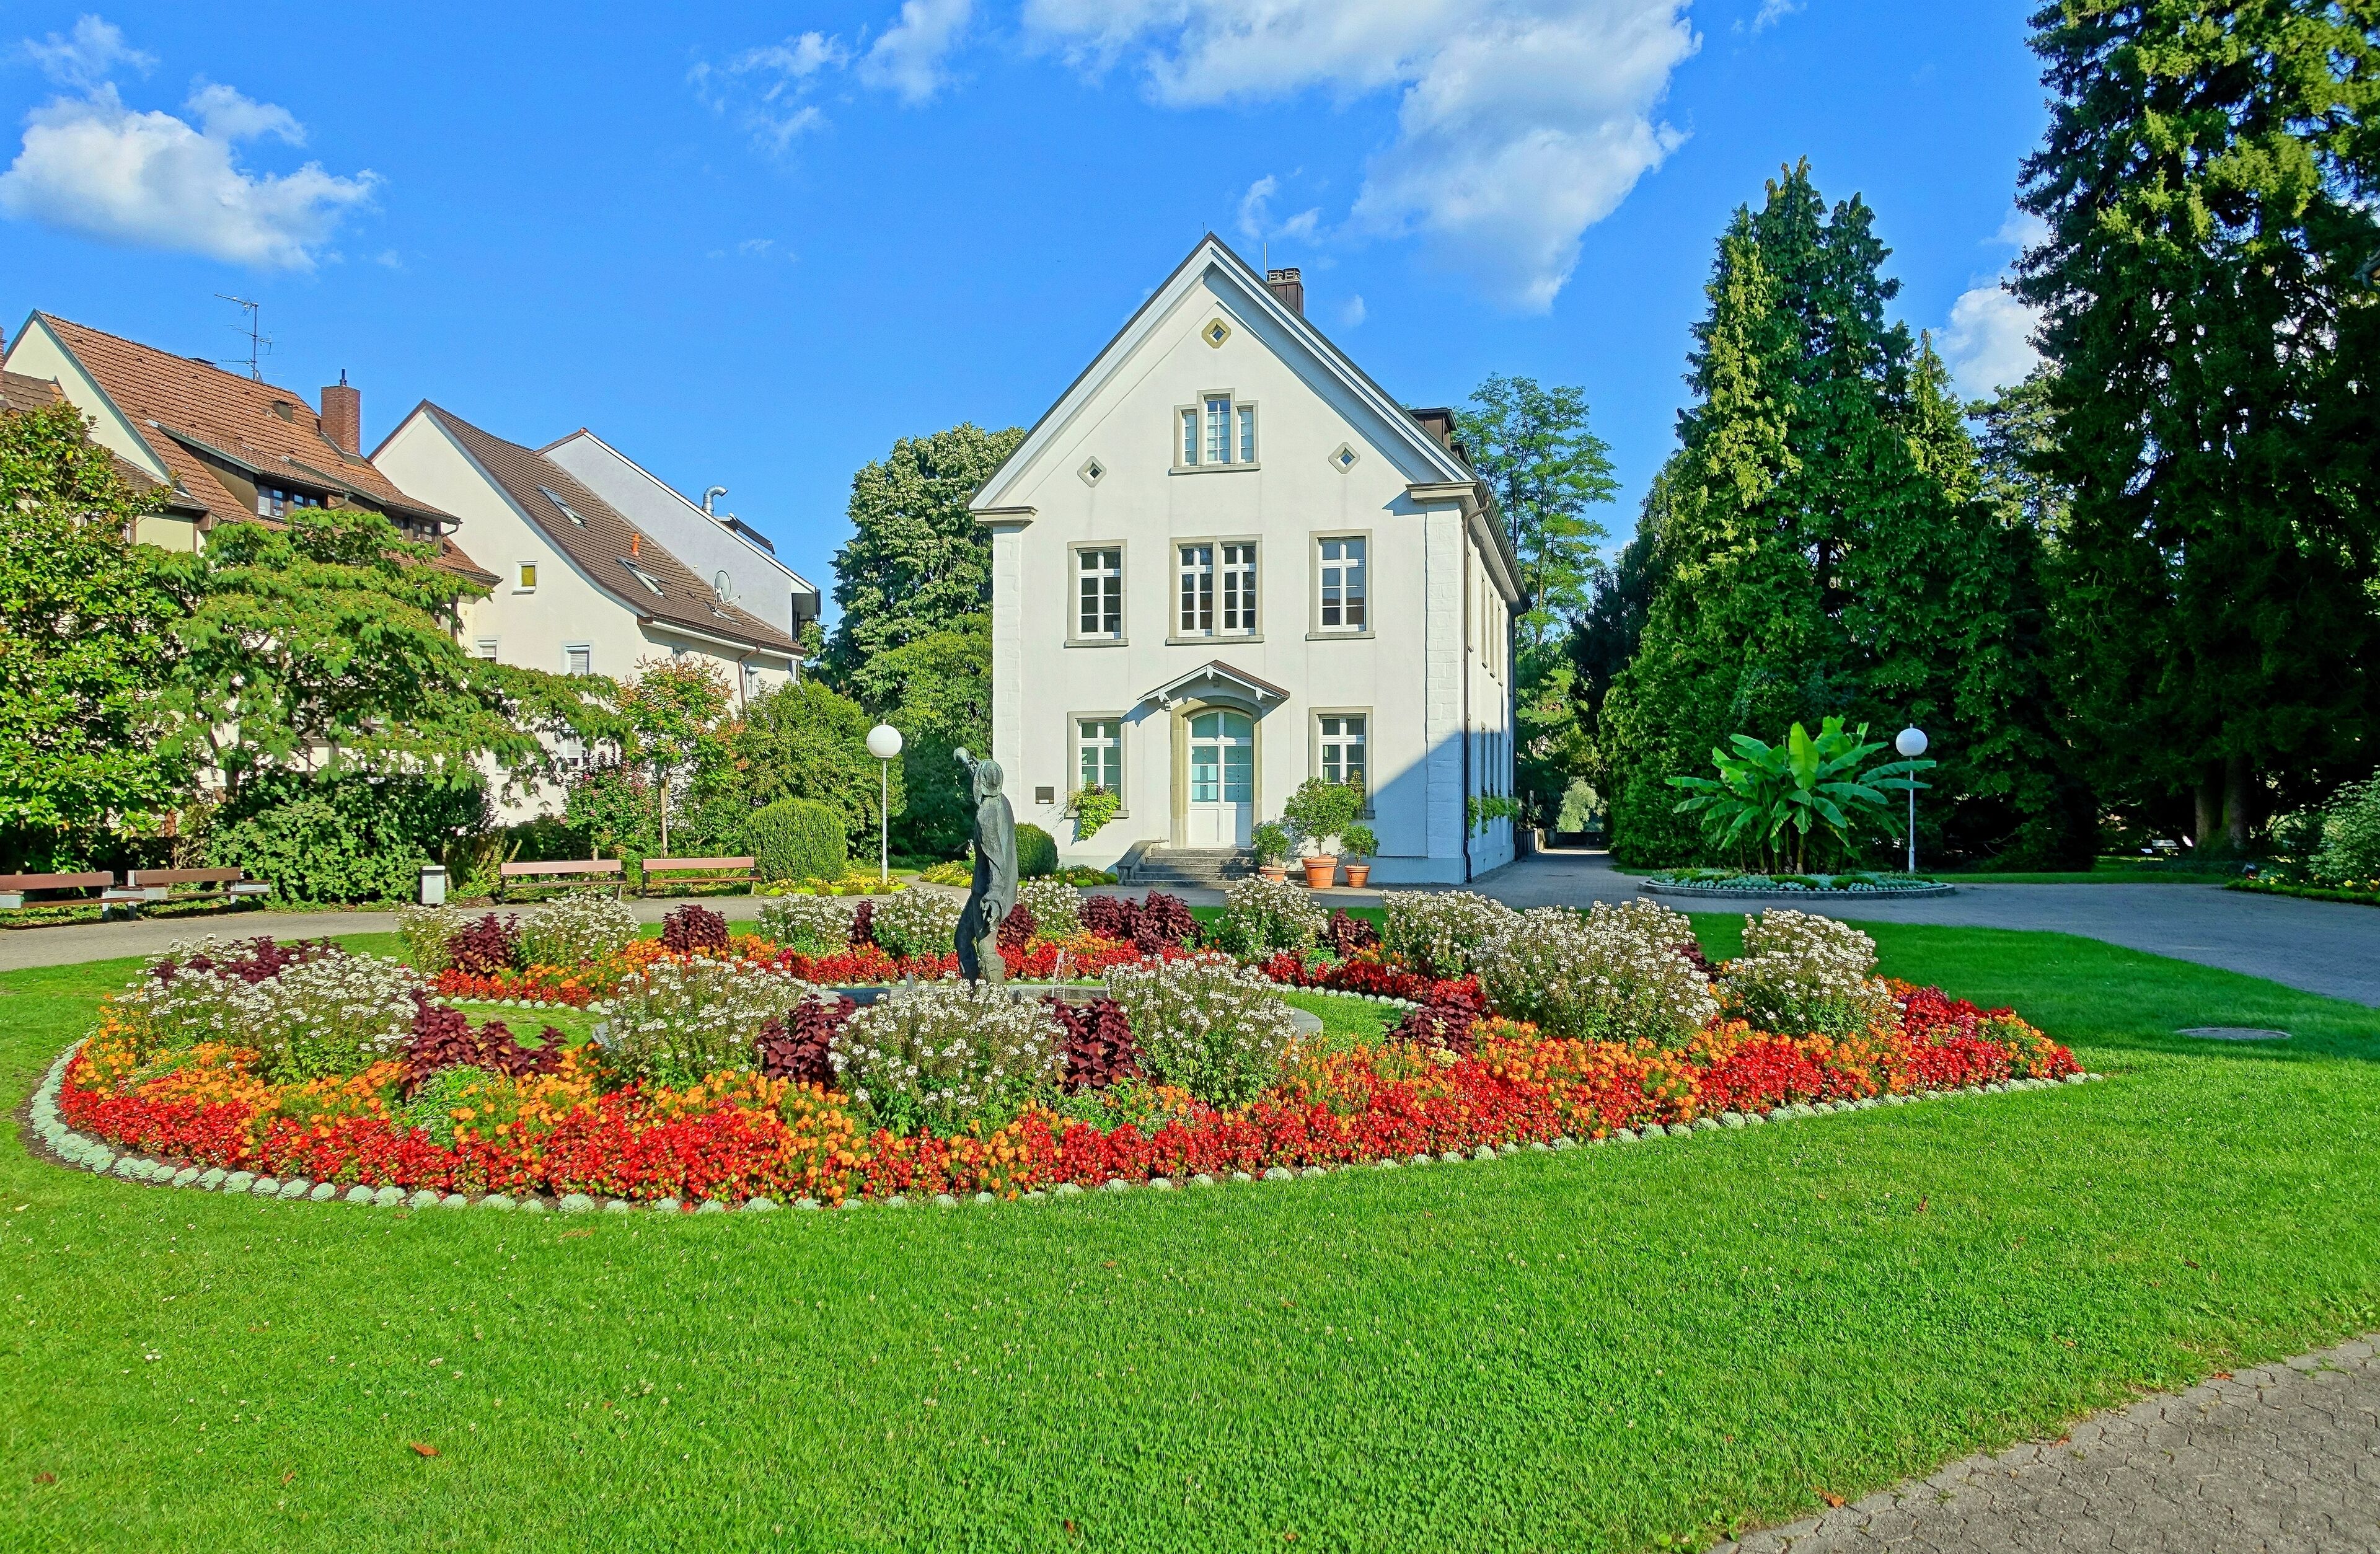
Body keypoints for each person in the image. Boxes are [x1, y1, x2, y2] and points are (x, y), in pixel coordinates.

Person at [951, 748, 1016, 982]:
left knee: (987, 949)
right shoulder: (1002, 802)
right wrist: (969, 763)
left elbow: (995, 859)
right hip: (985, 890)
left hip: (988, 894)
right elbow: (985, 781)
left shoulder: (986, 816)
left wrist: (993, 898)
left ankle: (996, 1002)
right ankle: (972, 992)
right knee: (962, 938)